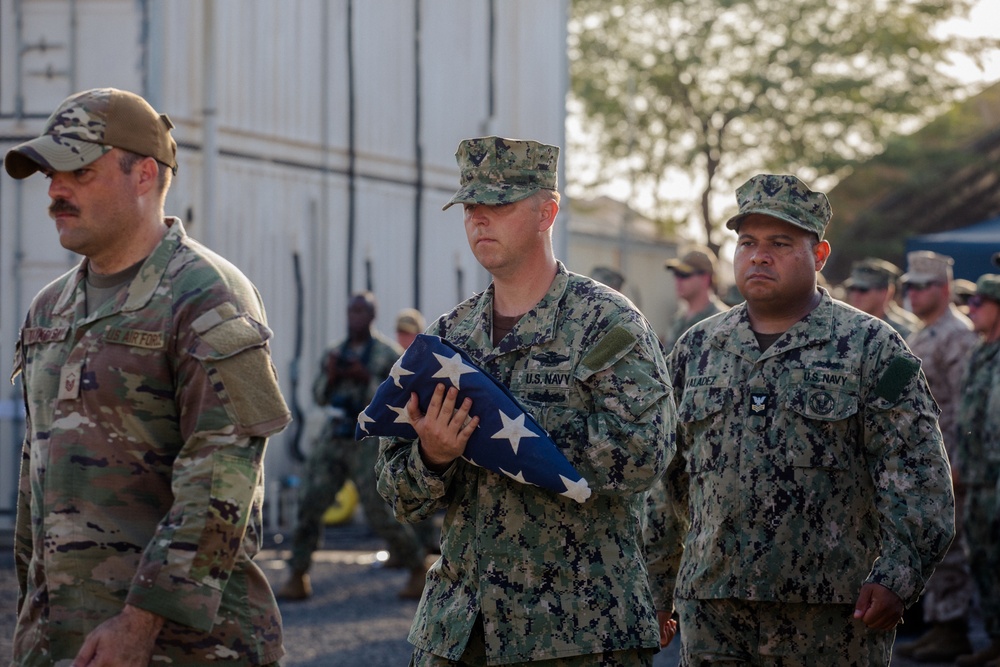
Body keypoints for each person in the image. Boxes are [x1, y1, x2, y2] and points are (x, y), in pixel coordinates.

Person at [5, 88, 290, 665]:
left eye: (79, 172)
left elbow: (222, 483)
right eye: (49, 176)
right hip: (62, 641)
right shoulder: (49, 310)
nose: (56, 192)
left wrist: (138, 624)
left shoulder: (207, 296)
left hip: (180, 647)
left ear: (145, 176)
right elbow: (37, 487)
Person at [376, 136, 675, 665]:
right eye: (471, 208)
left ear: (547, 212)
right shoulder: (449, 339)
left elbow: (646, 453)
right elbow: (399, 494)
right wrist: (434, 456)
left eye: (499, 205)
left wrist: (510, 435)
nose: (480, 221)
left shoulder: (608, 324)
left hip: (579, 631)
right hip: (461, 630)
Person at [645, 173, 956, 665]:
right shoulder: (698, 349)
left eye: (780, 242)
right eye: (747, 242)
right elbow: (666, 481)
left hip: (831, 615)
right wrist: (658, 583)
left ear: (820, 255)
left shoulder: (870, 347)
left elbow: (918, 477)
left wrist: (898, 575)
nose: (759, 255)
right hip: (713, 610)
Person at [278, 292, 430, 601]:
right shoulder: (336, 353)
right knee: (309, 502)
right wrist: (333, 376)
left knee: (379, 512)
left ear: (371, 316)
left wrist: (367, 379)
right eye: (351, 311)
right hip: (336, 436)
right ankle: (298, 574)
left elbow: (397, 400)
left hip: (368, 442)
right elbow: (319, 396)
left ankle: (417, 567)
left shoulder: (386, 355)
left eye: (362, 311)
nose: (355, 317)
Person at [894, 251, 979, 661]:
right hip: (923, 466)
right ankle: (939, 623)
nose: (913, 293)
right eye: (908, 285)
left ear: (944, 289)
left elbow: (968, 407)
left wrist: (962, 462)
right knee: (929, 544)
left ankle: (954, 628)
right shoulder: (921, 333)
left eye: (922, 286)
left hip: (949, 464)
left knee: (953, 548)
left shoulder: (957, 335)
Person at [953, 275, 1000, 667]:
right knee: (983, 560)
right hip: (977, 480)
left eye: (980, 301)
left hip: (996, 479)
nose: (971, 307)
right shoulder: (980, 352)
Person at [663, 245, 729, 350]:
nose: (678, 281)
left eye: (684, 274)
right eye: (676, 274)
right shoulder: (678, 320)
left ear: (705, 278)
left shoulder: (725, 320)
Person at [844, 257, 922, 339]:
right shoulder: (844, 324)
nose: (855, 295)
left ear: (886, 292)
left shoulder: (904, 331)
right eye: (852, 289)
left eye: (863, 290)